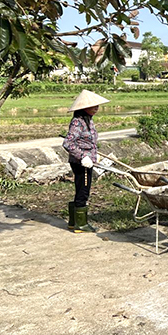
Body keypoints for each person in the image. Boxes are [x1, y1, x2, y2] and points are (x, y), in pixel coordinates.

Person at [62, 89, 110, 233]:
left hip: (87, 160)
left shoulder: (88, 120)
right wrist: (83, 156)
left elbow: (87, 141)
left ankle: (73, 222)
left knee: (81, 189)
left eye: (97, 105)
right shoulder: (78, 122)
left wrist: (93, 154)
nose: (97, 108)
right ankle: (81, 225)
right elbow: (68, 143)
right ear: (84, 107)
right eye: (93, 106)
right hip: (80, 163)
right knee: (83, 191)